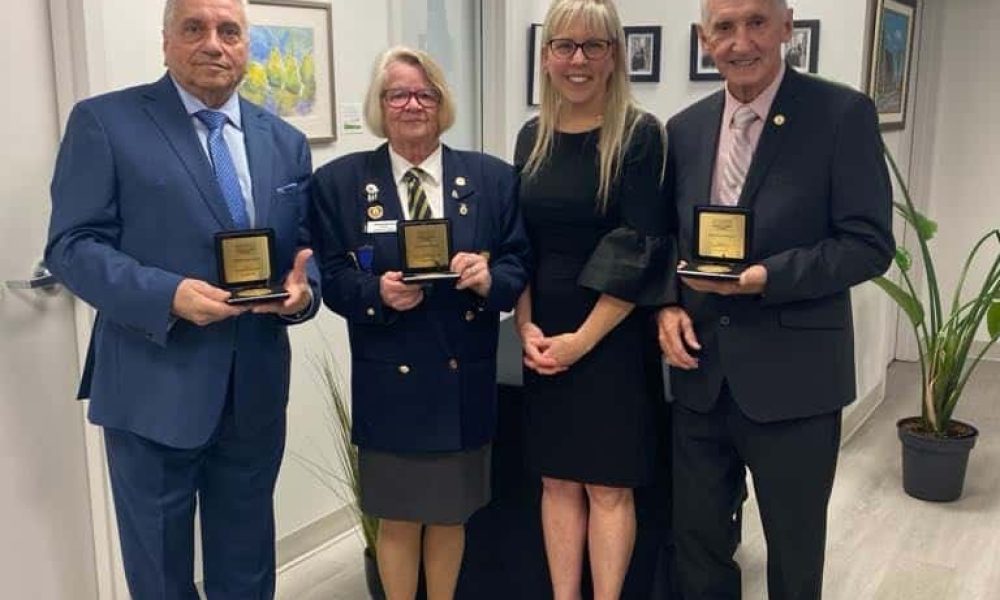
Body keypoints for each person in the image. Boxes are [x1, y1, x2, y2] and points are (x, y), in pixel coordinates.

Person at [45, 0, 318, 596]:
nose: (213, 44)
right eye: (194, 28)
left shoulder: (286, 141)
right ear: (166, 40)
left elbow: (305, 247)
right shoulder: (105, 122)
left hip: (254, 387)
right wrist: (167, 295)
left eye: (229, 31)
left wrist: (302, 293)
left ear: (247, 44)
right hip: (153, 385)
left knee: (246, 565)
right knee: (162, 574)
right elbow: (72, 245)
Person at [657, 0, 895, 598]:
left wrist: (768, 276)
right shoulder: (683, 130)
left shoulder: (841, 114)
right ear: (704, 38)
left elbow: (868, 245)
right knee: (699, 541)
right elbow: (665, 239)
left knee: (793, 550)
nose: (742, 42)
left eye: (757, 23)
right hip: (700, 375)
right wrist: (667, 305)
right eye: (725, 28)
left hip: (796, 380)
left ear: (787, 26)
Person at [308, 47, 530, 600]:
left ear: (442, 102)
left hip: (462, 375)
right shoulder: (339, 183)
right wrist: (374, 292)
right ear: (380, 106)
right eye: (398, 94)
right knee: (400, 519)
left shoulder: (492, 178)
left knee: (451, 517)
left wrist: (487, 277)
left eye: (424, 94)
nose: (412, 105)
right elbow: (330, 276)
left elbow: (518, 262)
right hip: (390, 376)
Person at [513, 1, 677, 598]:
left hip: (610, 334)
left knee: (608, 487)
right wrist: (523, 326)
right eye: (564, 46)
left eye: (592, 46)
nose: (577, 60)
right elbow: (519, 242)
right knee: (556, 481)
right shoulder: (530, 135)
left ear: (614, 56)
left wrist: (582, 341)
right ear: (546, 56)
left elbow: (642, 246)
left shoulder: (639, 135)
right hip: (545, 334)